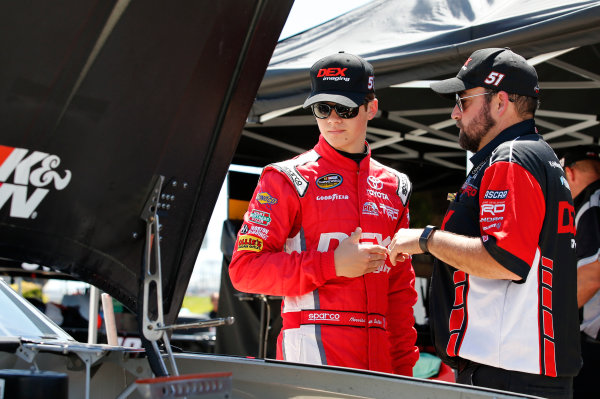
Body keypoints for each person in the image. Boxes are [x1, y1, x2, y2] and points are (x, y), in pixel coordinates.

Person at [387, 48, 581, 397]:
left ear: (500, 102)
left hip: (506, 371)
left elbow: (503, 258)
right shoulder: (537, 155)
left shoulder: (511, 157)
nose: (454, 113)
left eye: (463, 100)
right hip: (522, 369)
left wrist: (424, 239)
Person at [229, 51, 419, 375]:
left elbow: (400, 291)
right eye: (322, 107)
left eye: (345, 108)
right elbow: (245, 271)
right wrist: (331, 264)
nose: (332, 119)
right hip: (311, 361)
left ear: (371, 107)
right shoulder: (287, 178)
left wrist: (404, 371)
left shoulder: (396, 186)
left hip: (381, 365)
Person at [560, 145, 600, 397]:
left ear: (569, 173)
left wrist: (549, 317)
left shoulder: (592, 204)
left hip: (594, 346)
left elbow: (593, 274)